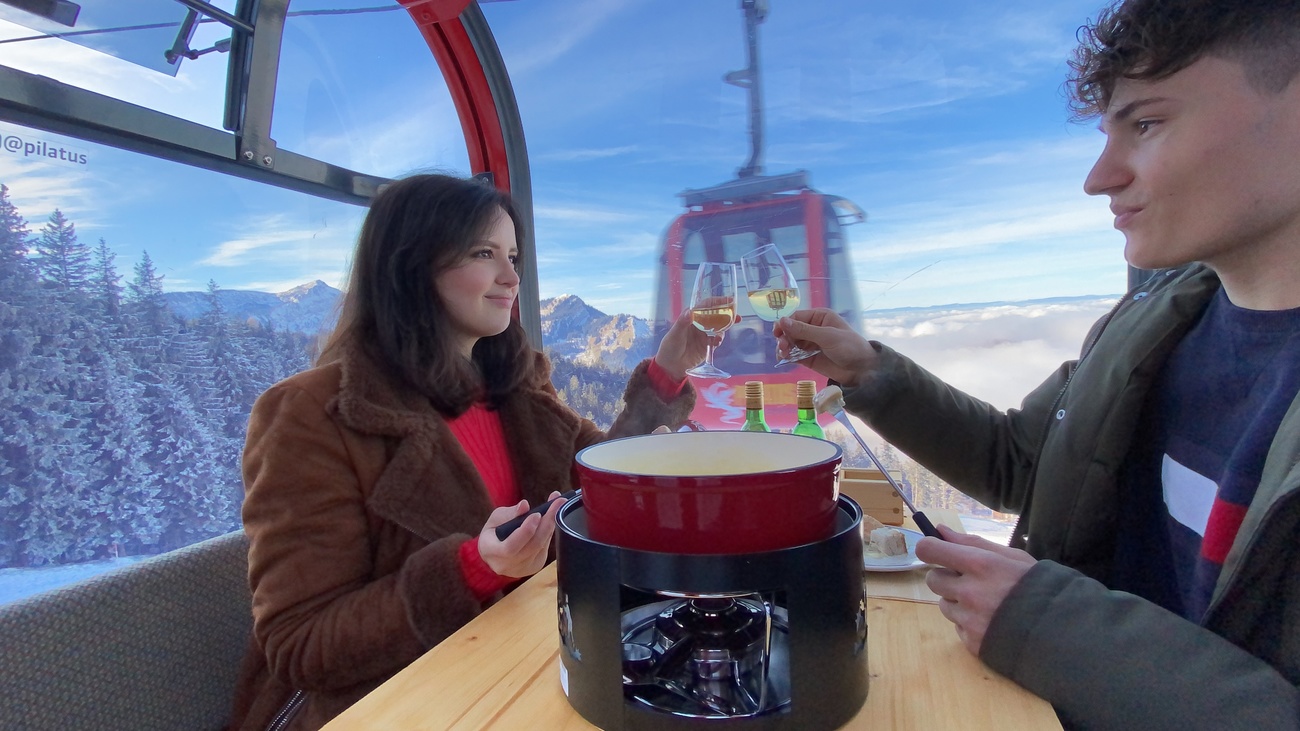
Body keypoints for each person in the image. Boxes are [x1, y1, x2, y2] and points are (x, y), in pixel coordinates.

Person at [774, 0, 1300, 727]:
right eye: (1107, 134)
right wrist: (869, 374)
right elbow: (1021, 463)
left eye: (1147, 124)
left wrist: (1049, 625)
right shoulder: (1150, 326)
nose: (1098, 177)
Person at [228, 174, 711, 730]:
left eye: (513, 256)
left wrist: (668, 372)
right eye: (484, 253)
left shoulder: (515, 387)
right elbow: (300, 644)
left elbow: (597, 484)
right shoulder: (314, 413)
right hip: (401, 704)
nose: (511, 277)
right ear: (412, 265)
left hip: (526, 657)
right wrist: (471, 571)